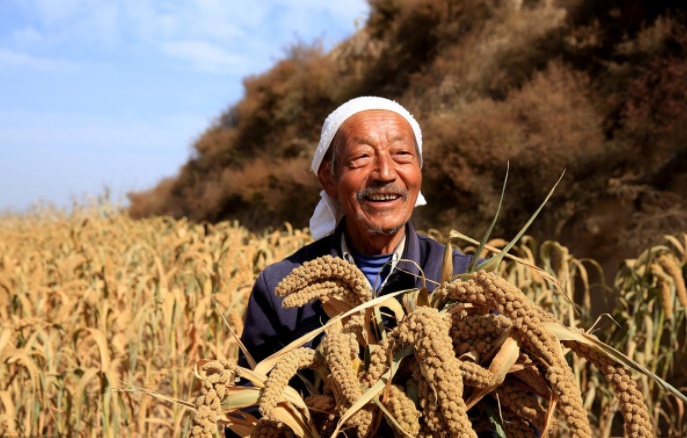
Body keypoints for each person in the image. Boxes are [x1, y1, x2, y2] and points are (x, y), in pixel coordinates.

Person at [227, 96, 488, 437]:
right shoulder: (282, 287)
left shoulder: (466, 279)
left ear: (418, 172)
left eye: (402, 155)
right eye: (362, 157)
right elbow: (247, 418)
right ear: (329, 178)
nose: (384, 172)